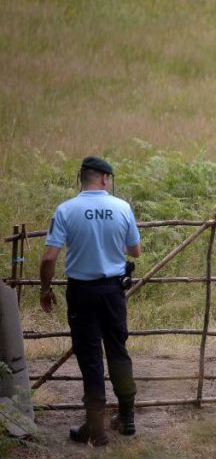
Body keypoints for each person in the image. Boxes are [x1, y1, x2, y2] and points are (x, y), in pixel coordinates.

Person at [39, 156, 141, 446]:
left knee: (91, 358)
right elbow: (135, 251)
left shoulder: (66, 210)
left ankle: (96, 429)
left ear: (82, 178)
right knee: (118, 352)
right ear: (105, 179)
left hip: (82, 293)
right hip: (113, 292)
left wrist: (45, 289)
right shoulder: (122, 207)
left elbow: (49, 257)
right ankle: (127, 417)